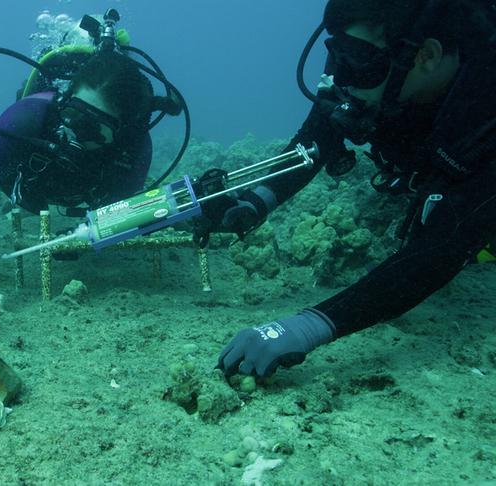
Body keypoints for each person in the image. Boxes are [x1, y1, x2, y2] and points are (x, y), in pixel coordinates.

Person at [197, 0, 496, 378]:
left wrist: (311, 325)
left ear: (427, 55)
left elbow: (439, 250)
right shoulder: (370, 79)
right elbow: (317, 137)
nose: (340, 76)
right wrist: (255, 202)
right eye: (335, 55)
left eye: (355, 58)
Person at [0, 51, 156, 259]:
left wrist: (82, 234)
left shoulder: (133, 151)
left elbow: (120, 212)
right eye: (72, 113)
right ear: (64, 98)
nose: (75, 130)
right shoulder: (32, 112)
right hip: (26, 183)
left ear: (122, 132)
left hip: (88, 191)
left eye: (92, 127)